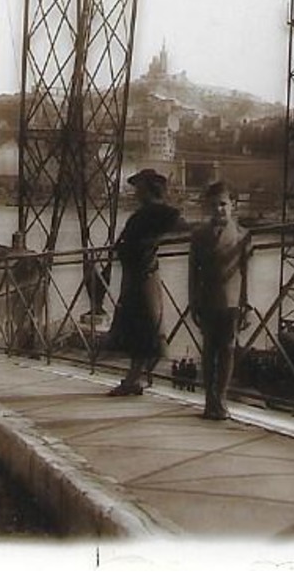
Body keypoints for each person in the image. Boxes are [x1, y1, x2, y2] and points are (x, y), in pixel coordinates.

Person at [106, 169, 186, 396]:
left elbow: (181, 226)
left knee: (142, 327)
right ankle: (134, 378)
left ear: (149, 189)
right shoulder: (145, 213)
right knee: (139, 328)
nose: (135, 192)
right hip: (136, 275)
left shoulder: (158, 212)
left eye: (139, 187)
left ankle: (133, 379)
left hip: (142, 276)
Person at [189, 180, 250, 420]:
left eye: (223, 205)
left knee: (228, 349)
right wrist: (193, 301)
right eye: (214, 205)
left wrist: (247, 306)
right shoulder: (199, 235)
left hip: (232, 302)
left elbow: (246, 274)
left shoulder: (243, 235)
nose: (219, 210)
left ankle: (221, 399)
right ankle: (208, 401)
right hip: (207, 300)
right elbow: (193, 272)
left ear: (233, 205)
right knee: (208, 351)